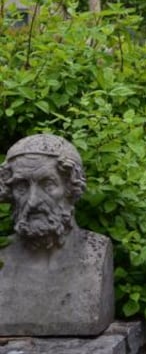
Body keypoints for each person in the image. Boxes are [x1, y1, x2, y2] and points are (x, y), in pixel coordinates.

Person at [0, 133, 115, 336]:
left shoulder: (95, 254)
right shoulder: (2, 257)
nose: (33, 201)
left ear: (71, 189)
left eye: (48, 185)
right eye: (21, 187)